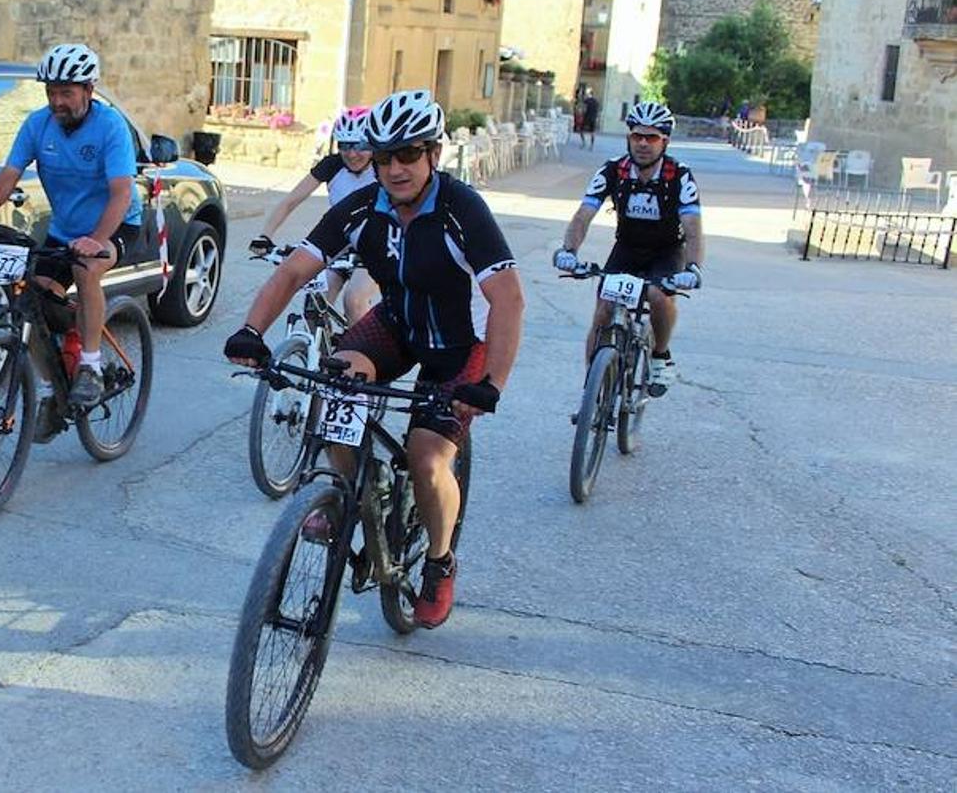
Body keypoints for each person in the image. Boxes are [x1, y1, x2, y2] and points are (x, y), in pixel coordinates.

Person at [225, 89, 525, 630]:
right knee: (339, 384)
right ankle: (347, 494)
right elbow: (296, 270)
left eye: (407, 154)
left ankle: (438, 561)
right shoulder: (365, 207)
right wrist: (251, 331)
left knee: (429, 457)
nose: (394, 168)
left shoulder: (462, 211)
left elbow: (509, 298)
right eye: (384, 157)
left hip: (461, 345)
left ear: (433, 153)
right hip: (400, 324)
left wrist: (492, 384)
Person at [0, 43, 141, 411]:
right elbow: (7, 178)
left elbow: (121, 192)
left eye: (66, 92)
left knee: (86, 270)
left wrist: (96, 240)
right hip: (65, 230)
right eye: (51, 92)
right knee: (32, 299)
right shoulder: (38, 124)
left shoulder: (110, 127)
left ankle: (92, 367)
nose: (57, 101)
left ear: (88, 91)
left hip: (115, 226)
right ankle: (53, 390)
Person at [552, 101, 705, 396]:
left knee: (658, 296)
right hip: (627, 248)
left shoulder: (680, 176)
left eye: (652, 137)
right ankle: (592, 391)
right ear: (629, 138)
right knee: (603, 310)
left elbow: (693, 229)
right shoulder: (613, 170)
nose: (643, 144)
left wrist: (693, 268)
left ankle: (660, 356)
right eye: (637, 136)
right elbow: (584, 215)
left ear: (665, 141)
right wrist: (568, 251)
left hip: (668, 251)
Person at [248, 106, 381, 322]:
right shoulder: (332, 165)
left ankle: (365, 352)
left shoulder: (382, 168)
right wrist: (265, 235)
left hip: (374, 247)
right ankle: (319, 352)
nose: (351, 153)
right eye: (344, 145)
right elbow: (290, 201)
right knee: (314, 306)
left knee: (354, 301)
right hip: (339, 245)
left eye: (360, 145)